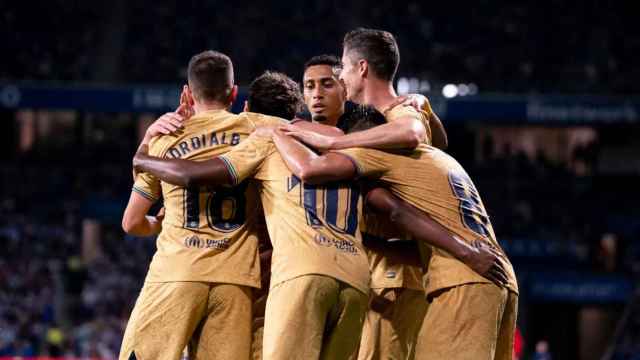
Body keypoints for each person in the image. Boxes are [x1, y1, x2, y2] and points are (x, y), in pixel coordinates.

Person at [133, 72, 508, 360]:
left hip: (278, 282)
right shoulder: (375, 160)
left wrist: (148, 147)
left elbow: (171, 194)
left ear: (244, 106)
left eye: (331, 80)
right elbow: (405, 177)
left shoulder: (280, 143)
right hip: (360, 278)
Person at [272, 28, 519, 360]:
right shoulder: (420, 146)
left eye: (342, 68)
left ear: (361, 68)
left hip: (452, 273)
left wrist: (302, 135)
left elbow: (401, 158)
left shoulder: (383, 133)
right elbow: (431, 145)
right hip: (471, 269)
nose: (339, 77)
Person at [119, 51, 292, 360]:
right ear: (235, 92)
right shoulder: (257, 130)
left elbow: (131, 222)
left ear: (187, 92)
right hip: (235, 281)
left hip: (177, 273)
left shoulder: (164, 140)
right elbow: (298, 124)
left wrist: (157, 221)